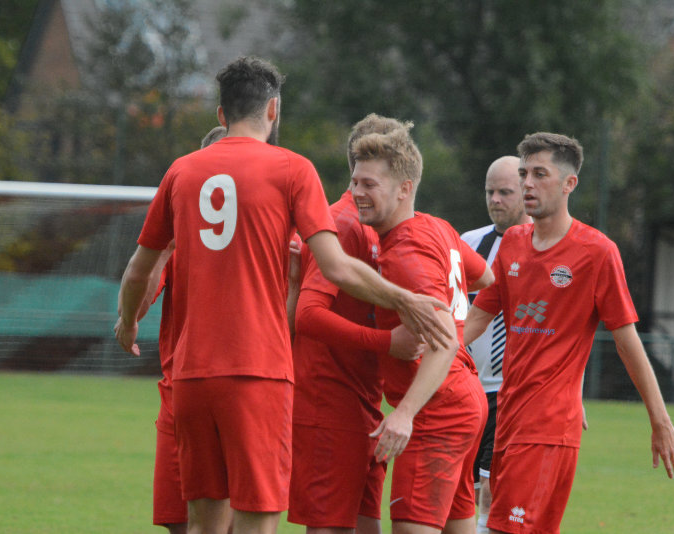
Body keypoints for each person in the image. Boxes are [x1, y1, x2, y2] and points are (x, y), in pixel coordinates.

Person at [114, 56, 453, 534]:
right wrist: (404, 300)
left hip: (189, 376)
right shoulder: (291, 169)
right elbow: (335, 266)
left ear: (220, 114)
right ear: (273, 110)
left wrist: (127, 323)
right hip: (257, 372)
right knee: (257, 518)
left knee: (203, 522)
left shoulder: (181, 172)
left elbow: (137, 271)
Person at [464, 132, 674, 534]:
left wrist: (660, 421)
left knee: (499, 528)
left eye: (539, 174)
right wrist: (431, 352)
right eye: (524, 174)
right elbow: (478, 318)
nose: (527, 184)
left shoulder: (596, 252)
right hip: (508, 421)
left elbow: (627, 341)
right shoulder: (514, 243)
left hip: (548, 427)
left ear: (570, 183)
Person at [349, 120, 494, 534]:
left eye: (370, 184)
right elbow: (485, 279)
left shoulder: (405, 252)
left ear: (404, 188)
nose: (358, 193)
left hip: (437, 411)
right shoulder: (437, 227)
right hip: (465, 400)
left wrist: (405, 414)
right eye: (355, 181)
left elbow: (444, 338)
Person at [289, 114, 422, 534]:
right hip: (329, 402)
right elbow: (307, 315)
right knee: (330, 526)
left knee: (364, 524)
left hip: (363, 401)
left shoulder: (374, 226)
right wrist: (388, 343)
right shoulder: (344, 225)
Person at [119, 127, 228, 534]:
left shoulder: (269, 233)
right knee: (179, 521)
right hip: (180, 389)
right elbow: (144, 299)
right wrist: (164, 247)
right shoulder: (179, 239)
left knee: (230, 520)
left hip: (244, 387)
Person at [459, 155, 530, 534]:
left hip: (511, 391)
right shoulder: (469, 243)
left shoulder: (543, 246)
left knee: (492, 488)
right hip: (469, 388)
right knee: (466, 489)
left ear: (525, 192)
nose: (496, 199)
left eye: (505, 192)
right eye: (490, 191)